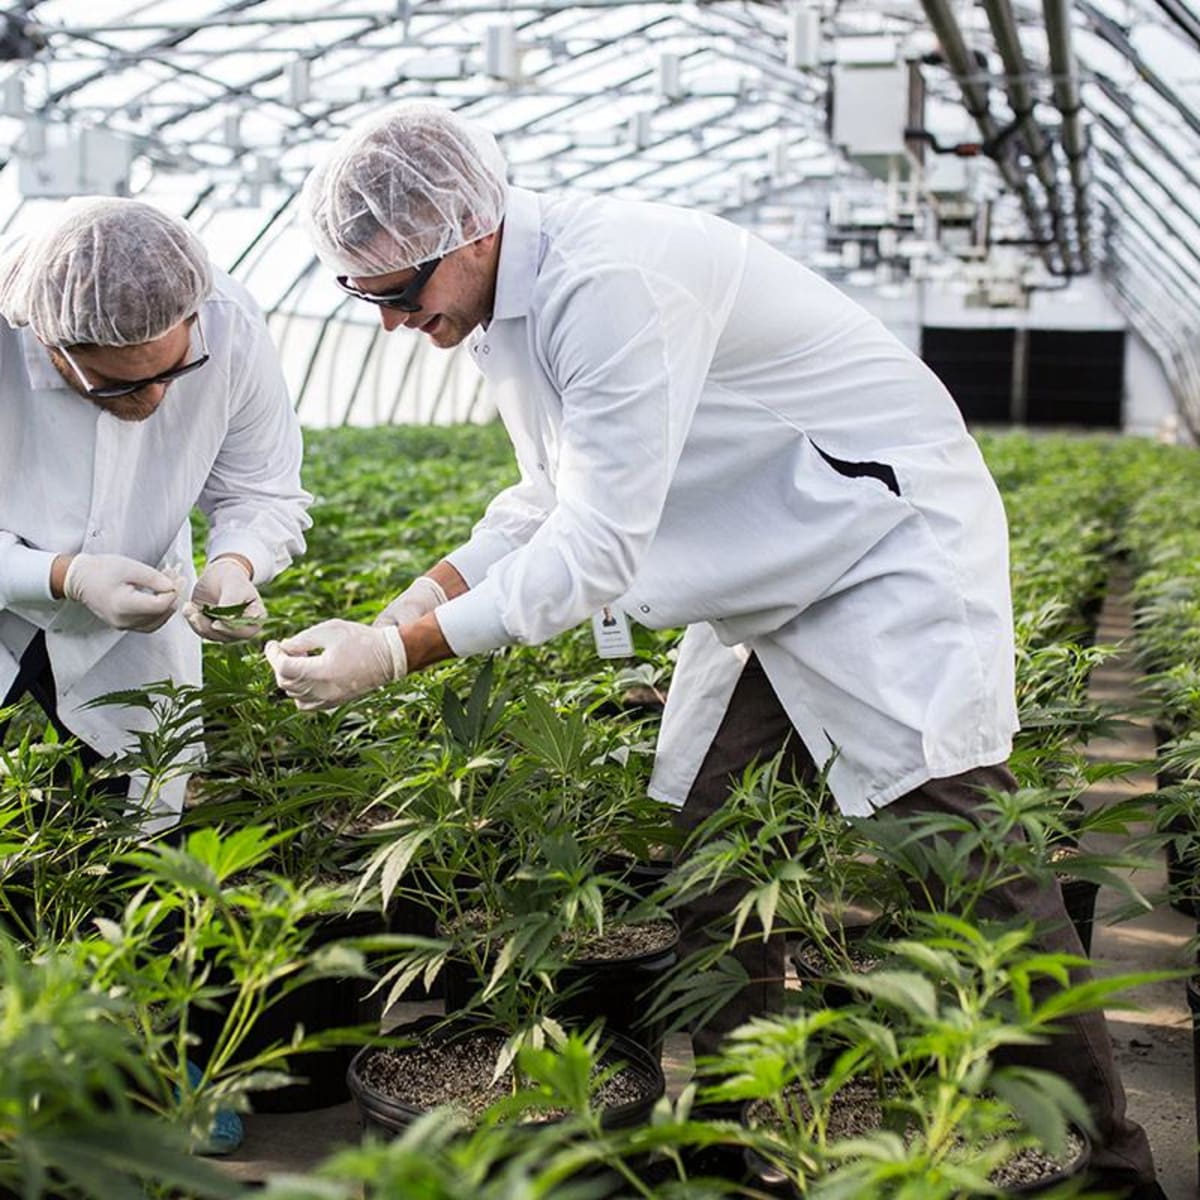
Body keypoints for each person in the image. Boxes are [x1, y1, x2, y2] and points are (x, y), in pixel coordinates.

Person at [267, 102, 1164, 1199]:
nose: (393, 325)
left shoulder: (610, 281)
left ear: (470, 229)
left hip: (877, 552)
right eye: (366, 299)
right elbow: (544, 499)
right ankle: (745, 1138)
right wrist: (412, 601)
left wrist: (401, 655)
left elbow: (593, 551)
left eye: (401, 293)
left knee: (967, 854)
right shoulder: (505, 309)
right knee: (712, 850)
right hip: (769, 567)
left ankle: (1112, 1169)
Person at [0, 197, 312, 836]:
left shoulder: (228, 324)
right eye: (117, 384)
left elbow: (262, 487)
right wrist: (63, 576)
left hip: (132, 624)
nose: (155, 396)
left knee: (135, 824)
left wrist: (236, 563)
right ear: (51, 342)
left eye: (175, 370)